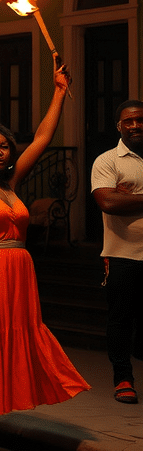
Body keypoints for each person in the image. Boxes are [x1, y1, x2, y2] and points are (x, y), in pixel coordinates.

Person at [0, 46, 87, 451]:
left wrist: (58, 91)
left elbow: (45, 137)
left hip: (19, 275)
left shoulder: (11, 187)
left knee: (21, 342)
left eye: (4, 146)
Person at [90, 97, 143, 405]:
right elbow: (108, 202)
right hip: (122, 254)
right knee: (121, 318)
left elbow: (120, 201)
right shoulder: (108, 161)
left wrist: (131, 197)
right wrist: (117, 198)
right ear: (119, 126)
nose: (135, 125)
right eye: (129, 121)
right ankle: (123, 378)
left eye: (140, 120)